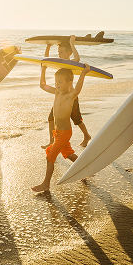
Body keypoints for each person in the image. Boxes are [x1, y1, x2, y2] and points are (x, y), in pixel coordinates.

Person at [31, 63, 90, 192]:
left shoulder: (70, 96)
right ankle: (85, 168)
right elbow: (42, 85)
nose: (57, 84)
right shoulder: (57, 92)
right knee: (67, 153)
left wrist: (83, 73)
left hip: (64, 133)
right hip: (58, 132)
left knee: (50, 156)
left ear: (69, 83)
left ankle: (45, 184)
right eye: (56, 81)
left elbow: (78, 89)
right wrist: (44, 69)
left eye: (60, 82)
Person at [43, 35, 92, 148]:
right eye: (58, 52)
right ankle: (52, 141)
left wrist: (72, 43)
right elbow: (46, 61)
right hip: (60, 95)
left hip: (71, 97)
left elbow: (78, 58)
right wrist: (48, 46)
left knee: (76, 119)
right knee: (51, 118)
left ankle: (86, 136)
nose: (59, 54)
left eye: (61, 52)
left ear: (68, 53)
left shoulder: (70, 62)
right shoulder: (59, 63)